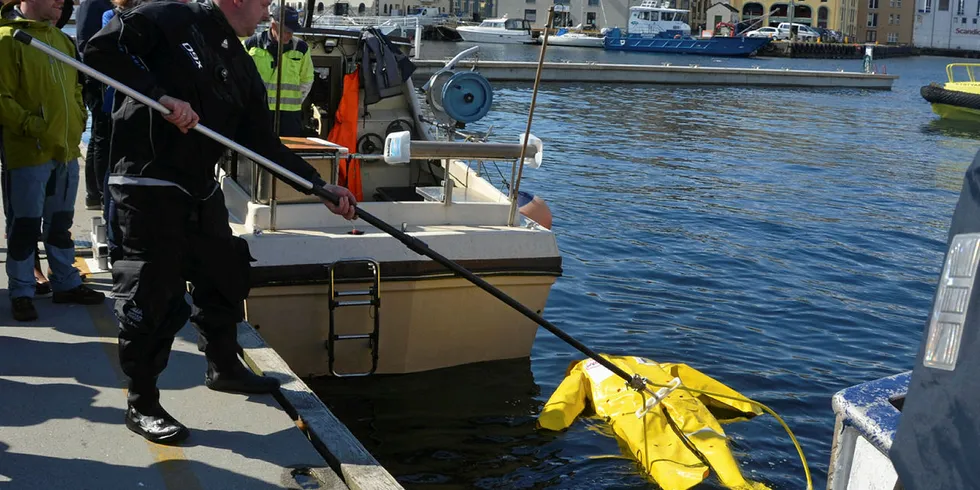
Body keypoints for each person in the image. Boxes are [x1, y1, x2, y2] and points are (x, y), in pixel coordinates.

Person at [83, 0, 357, 444]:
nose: (270, 6)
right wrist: (159, 96)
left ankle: (224, 366)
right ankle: (143, 402)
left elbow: (261, 142)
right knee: (154, 295)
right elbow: (100, 50)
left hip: (198, 187)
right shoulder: (170, 17)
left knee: (226, 269)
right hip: (147, 182)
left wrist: (318, 187)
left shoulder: (239, 61)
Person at [0, 0, 107, 322]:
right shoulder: (7, 39)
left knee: (60, 225)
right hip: (28, 153)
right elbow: (2, 97)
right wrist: (36, 127)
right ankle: (21, 290)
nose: (61, 1)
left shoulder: (61, 40)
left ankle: (65, 281)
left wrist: (76, 121)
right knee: (25, 226)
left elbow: (75, 89)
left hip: (65, 150)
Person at [244, 4, 313, 136]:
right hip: (258, 111)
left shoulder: (302, 49)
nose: (290, 35)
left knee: (287, 153)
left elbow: (307, 79)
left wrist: (294, 101)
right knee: (257, 152)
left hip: (290, 116)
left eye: (292, 31)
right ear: (274, 25)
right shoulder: (250, 45)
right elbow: (240, 78)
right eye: (286, 30)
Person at [75, 0, 113, 210]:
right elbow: (86, 44)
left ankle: (95, 193)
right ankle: (98, 192)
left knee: (100, 137)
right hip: (97, 78)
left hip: (101, 77)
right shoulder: (94, 4)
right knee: (101, 136)